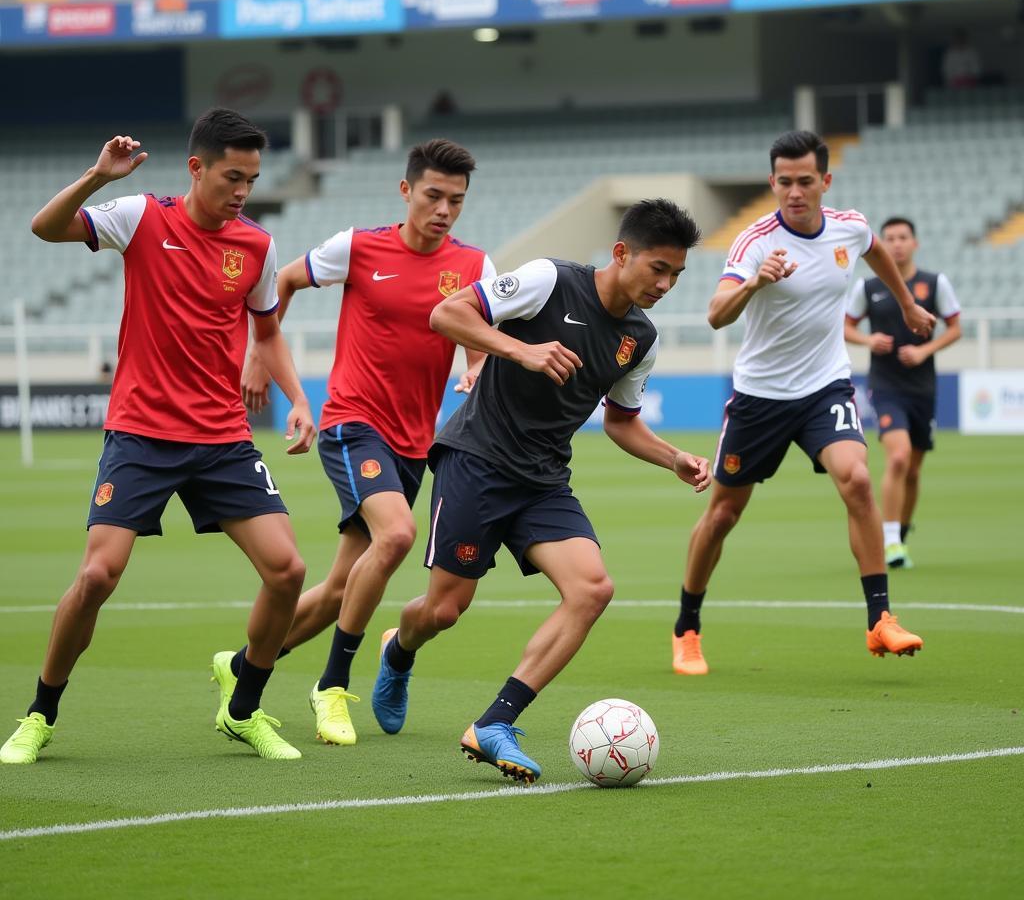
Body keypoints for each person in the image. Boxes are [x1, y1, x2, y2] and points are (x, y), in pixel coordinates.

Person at [0, 109, 316, 765]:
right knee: (97, 575)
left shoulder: (255, 245)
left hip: (222, 439)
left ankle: (244, 708)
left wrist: (300, 399)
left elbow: (266, 332)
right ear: (197, 167)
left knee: (287, 571)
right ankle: (40, 714)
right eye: (232, 176)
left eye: (251, 180)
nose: (241, 191)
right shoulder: (141, 215)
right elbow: (45, 227)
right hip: (140, 435)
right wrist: (96, 176)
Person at [371, 198, 710, 784]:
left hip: (544, 478)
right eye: (658, 268)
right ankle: (399, 649)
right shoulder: (548, 280)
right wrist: (520, 348)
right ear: (621, 253)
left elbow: (624, 423)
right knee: (445, 609)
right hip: (476, 460)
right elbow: (446, 314)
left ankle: (495, 723)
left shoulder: (641, 338)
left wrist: (672, 457)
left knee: (592, 588)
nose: (666, 284)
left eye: (676, 274)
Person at [214, 139, 494, 747]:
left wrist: (474, 367)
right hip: (351, 423)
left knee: (343, 587)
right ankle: (333, 686)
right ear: (405, 191)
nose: (444, 209)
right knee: (396, 535)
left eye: (456, 200)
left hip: (414, 441)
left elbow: (478, 329)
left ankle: (241, 668)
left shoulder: (473, 265)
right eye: (433, 195)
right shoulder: (359, 246)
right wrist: (261, 353)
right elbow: (283, 279)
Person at [671, 131, 936, 678]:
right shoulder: (755, 242)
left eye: (805, 181)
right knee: (722, 515)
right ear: (772, 183)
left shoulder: (850, 227)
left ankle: (880, 618)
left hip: (824, 388)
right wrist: (753, 285)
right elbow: (717, 314)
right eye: (784, 182)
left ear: (825, 182)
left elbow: (875, 250)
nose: (795, 192)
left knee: (858, 480)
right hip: (760, 398)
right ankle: (687, 628)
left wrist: (908, 305)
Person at [845, 217, 961, 569]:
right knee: (897, 457)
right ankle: (891, 541)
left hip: (922, 387)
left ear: (915, 244)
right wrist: (868, 339)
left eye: (903, 238)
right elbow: (845, 325)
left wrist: (925, 351)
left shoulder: (933, 283)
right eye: (890, 238)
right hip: (885, 385)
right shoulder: (867, 287)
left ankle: (901, 534)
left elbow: (955, 328)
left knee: (912, 469)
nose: (896, 243)